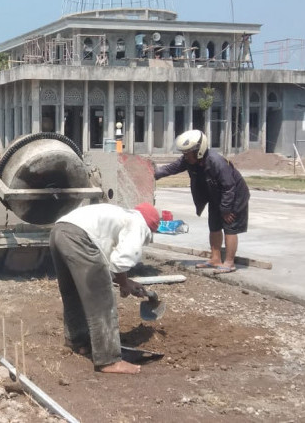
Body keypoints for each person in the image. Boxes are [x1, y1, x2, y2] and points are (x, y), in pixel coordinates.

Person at [49, 202, 160, 375]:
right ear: (151, 227)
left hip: (59, 231)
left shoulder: (121, 217)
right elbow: (121, 260)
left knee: (74, 293)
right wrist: (123, 283)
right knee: (102, 300)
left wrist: (126, 282)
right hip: (79, 237)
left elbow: (107, 258)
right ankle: (109, 360)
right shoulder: (138, 224)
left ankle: (79, 342)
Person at [154, 129, 250, 274]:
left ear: (199, 150)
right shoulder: (189, 161)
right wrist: (153, 174)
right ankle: (215, 259)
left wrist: (226, 209)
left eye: (188, 152)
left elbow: (229, 187)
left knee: (229, 226)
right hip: (216, 196)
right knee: (214, 226)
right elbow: (171, 168)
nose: (185, 156)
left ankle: (229, 262)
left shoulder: (216, 162)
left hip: (234, 196)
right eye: (184, 153)